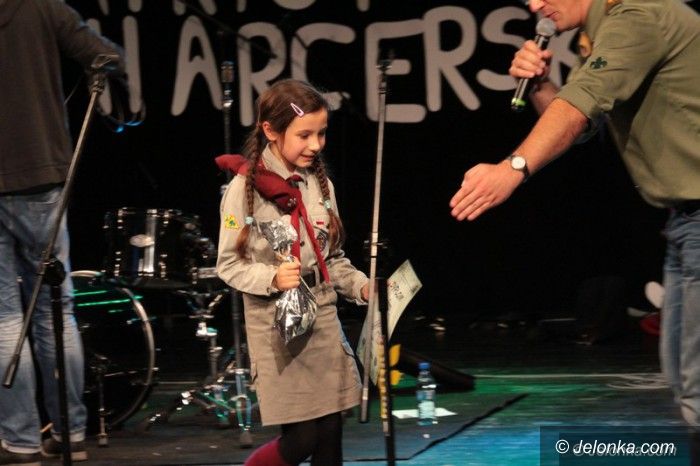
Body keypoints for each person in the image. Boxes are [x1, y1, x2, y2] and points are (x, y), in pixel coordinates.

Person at [450, 0, 700, 427]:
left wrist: (512, 168)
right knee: (684, 380)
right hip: (684, 222)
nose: (534, 4)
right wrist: (541, 85)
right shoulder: (606, 28)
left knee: (695, 389)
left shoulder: (637, 16)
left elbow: (577, 109)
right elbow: (586, 123)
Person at [216, 79, 370, 466]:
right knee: (303, 439)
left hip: (324, 318)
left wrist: (361, 286)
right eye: (304, 135)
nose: (315, 145)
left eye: (321, 133)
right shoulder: (243, 190)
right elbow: (229, 265)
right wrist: (271, 278)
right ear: (270, 130)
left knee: (331, 433)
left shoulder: (321, 184)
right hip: (279, 327)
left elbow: (332, 258)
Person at [0, 1, 125, 464]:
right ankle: (70, 432)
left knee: (3, 318)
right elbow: (107, 56)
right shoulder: (42, 6)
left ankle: (20, 441)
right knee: (56, 308)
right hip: (42, 176)